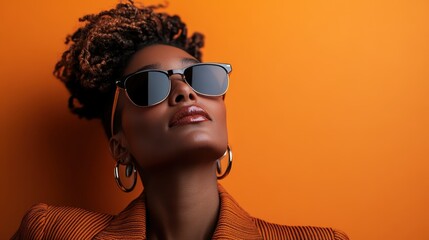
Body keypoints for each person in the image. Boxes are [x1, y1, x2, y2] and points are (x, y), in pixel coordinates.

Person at [12, 1, 349, 239]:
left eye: (200, 77)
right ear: (120, 145)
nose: (185, 92)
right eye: (148, 85)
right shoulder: (49, 231)